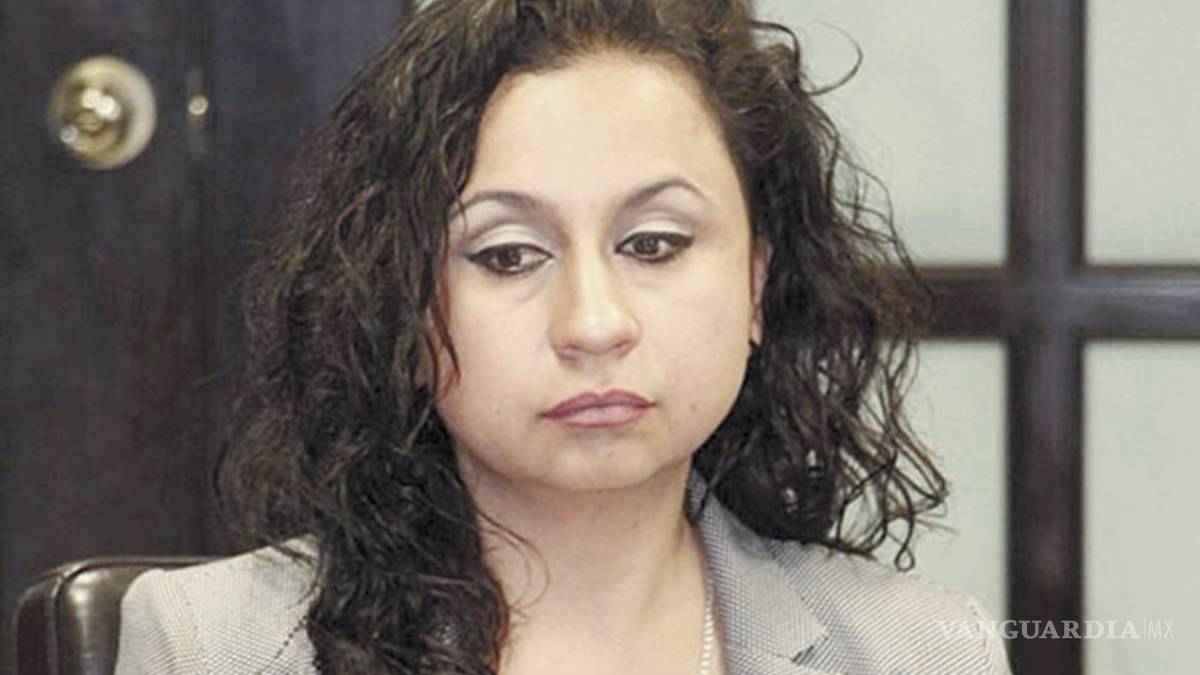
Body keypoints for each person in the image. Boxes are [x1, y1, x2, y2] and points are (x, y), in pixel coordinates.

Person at [115, 0, 1011, 673]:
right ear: (403, 307)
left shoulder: (919, 649)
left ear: (754, 284)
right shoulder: (215, 645)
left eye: (653, 244)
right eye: (508, 255)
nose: (593, 323)